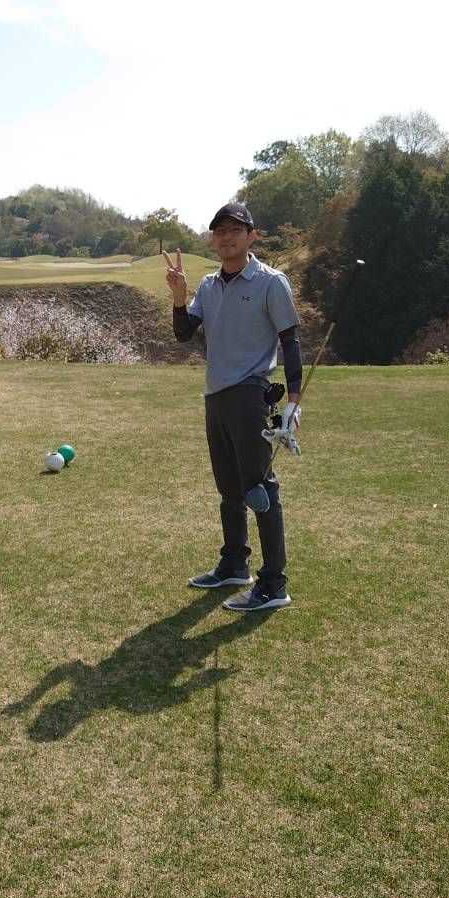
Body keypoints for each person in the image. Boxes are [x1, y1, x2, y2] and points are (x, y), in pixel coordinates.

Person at [166, 201, 303, 610]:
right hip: (216, 395)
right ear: (213, 239)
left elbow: (291, 340)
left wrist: (294, 402)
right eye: (220, 231)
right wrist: (179, 297)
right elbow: (184, 334)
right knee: (229, 488)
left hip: (249, 392)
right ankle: (234, 563)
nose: (226, 237)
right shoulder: (209, 285)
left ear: (251, 236)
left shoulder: (270, 282)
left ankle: (274, 584)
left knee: (259, 488)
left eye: (235, 230)